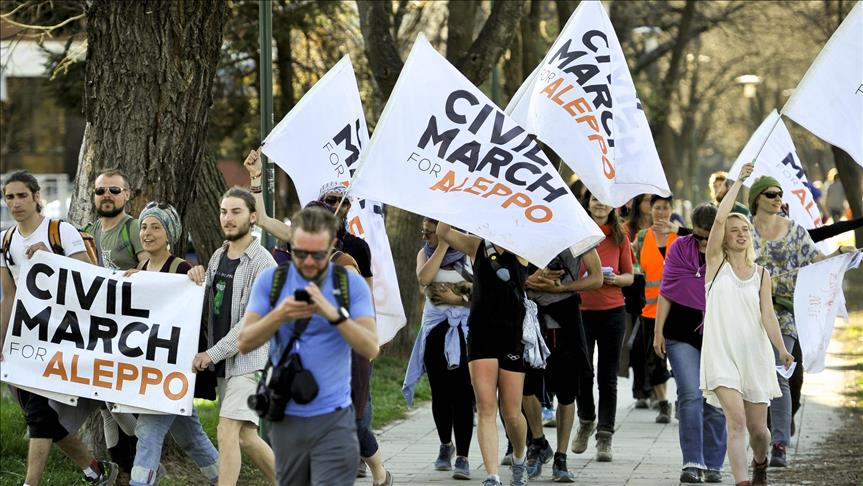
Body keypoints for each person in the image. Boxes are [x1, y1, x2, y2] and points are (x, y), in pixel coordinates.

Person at [244, 149, 391, 485]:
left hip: (341, 380)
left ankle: (376, 468)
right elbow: (264, 221)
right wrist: (255, 179)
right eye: (299, 252)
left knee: (357, 415)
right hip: (292, 406)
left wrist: (334, 313)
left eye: (341, 200)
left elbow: (368, 332)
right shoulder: (275, 277)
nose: (307, 260)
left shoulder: (352, 262)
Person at [0, 170, 119, 486]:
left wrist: (51, 258)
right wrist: (1, 341)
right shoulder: (6, 240)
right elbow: (9, 295)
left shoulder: (60, 232)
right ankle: (94, 470)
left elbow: (91, 279)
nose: (16, 202)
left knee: (39, 413)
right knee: (41, 417)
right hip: (26, 337)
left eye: (22, 195)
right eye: (9, 197)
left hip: (65, 336)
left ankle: (31, 483)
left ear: (37, 196)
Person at [748, 175, 855, 467]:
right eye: (771, 194)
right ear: (757, 198)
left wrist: (838, 255)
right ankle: (756, 435)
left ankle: (780, 443)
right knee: (750, 378)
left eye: (780, 194)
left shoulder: (794, 231)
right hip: (746, 311)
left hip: (784, 312)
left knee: (778, 374)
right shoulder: (743, 230)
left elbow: (815, 260)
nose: (777, 198)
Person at [701, 161, 794, 486]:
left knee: (759, 431)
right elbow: (720, 219)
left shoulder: (761, 275)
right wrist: (738, 181)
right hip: (721, 355)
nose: (740, 234)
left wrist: (782, 350)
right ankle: (742, 482)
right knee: (736, 422)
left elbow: (768, 315)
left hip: (754, 356)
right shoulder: (715, 266)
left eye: (745, 231)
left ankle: (760, 461)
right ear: (724, 239)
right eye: (734, 230)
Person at [185, 188, 278, 485]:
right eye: (224, 211)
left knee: (226, 431)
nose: (228, 218)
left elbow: (249, 326)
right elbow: (204, 302)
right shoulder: (217, 256)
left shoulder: (263, 264)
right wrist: (194, 275)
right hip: (227, 365)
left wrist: (209, 355)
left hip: (252, 363)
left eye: (236, 211)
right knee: (247, 437)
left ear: (252, 217)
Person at [125, 202, 220, 486]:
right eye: (143, 226)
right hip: (151, 367)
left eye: (156, 227)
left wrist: (196, 275)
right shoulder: (141, 268)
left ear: (170, 235)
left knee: (148, 430)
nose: (147, 233)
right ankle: (225, 479)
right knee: (190, 437)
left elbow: (198, 304)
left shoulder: (182, 269)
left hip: (173, 369)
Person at [436, 223, 532, 486]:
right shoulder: (476, 245)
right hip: (480, 335)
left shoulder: (522, 248)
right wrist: (454, 195)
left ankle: (520, 458)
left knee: (512, 412)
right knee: (486, 407)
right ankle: (492, 476)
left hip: (512, 337)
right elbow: (444, 233)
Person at [653, 203, 726, 484]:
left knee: (715, 397)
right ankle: (692, 461)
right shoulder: (680, 249)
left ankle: (714, 463)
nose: (704, 243)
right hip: (681, 331)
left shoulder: (728, 252)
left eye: (710, 237)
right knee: (690, 394)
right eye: (699, 237)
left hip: (719, 332)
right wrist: (658, 332)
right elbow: (666, 290)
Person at [522, 246, 602, 481]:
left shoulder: (578, 232)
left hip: (566, 319)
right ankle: (537, 443)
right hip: (531, 319)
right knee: (527, 388)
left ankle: (561, 457)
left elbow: (596, 278)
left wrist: (564, 287)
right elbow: (506, 272)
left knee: (567, 393)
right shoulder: (524, 227)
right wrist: (528, 280)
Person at [403, 218, 474, 479]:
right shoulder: (426, 253)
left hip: (465, 332)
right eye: (424, 232)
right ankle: (446, 445)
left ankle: (464, 456)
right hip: (435, 330)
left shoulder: (470, 253)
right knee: (440, 392)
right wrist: (442, 247)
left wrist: (455, 296)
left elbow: (483, 292)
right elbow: (425, 280)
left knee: (464, 394)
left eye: (430, 233)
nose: (425, 238)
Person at [87, 167, 146, 477]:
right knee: (103, 404)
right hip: (96, 329)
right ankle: (123, 470)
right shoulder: (88, 231)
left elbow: (152, 265)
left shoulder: (134, 228)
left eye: (113, 190)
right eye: (101, 191)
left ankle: (146, 457)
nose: (106, 195)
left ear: (127, 194)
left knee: (113, 400)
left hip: (129, 331)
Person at [573, 190, 634, 463]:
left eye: (605, 200)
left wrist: (613, 280)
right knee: (582, 372)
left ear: (613, 205)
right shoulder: (576, 233)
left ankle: (605, 436)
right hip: (580, 312)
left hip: (612, 313)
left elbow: (630, 277)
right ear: (587, 203)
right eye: (595, 199)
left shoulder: (620, 237)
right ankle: (586, 419)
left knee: (607, 377)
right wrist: (587, 277)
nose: (600, 205)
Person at [632, 194, 678, 422]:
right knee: (655, 359)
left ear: (671, 209)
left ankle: (683, 398)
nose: (661, 212)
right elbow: (634, 269)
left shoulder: (680, 236)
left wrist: (678, 230)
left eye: (665, 208)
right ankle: (663, 404)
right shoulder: (641, 238)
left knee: (680, 357)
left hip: (680, 310)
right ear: (650, 210)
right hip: (650, 311)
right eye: (657, 208)